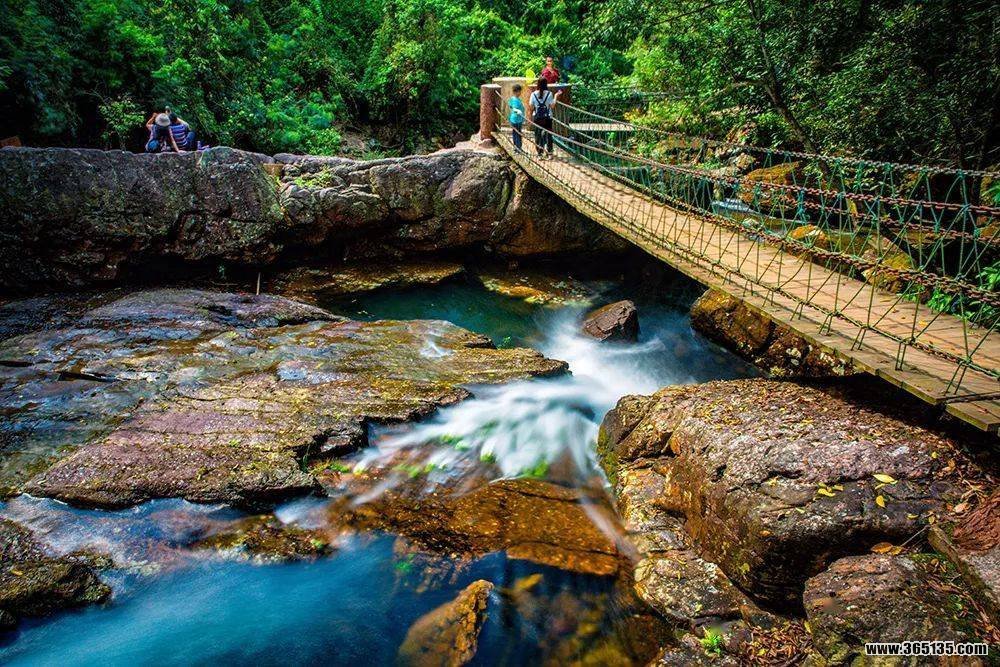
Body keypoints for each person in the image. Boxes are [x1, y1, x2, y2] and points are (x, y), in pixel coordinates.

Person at [529, 78, 561, 158]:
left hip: (537, 118)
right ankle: (549, 153)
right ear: (546, 84)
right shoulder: (549, 94)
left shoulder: (533, 94)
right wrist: (556, 96)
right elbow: (552, 106)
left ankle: (539, 153)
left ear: (538, 84)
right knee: (548, 135)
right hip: (548, 117)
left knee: (538, 135)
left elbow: (531, 107)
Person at [508, 84, 525, 152]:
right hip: (517, 119)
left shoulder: (513, 98)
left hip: (514, 119)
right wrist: (518, 111)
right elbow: (514, 108)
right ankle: (518, 148)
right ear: (516, 91)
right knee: (518, 134)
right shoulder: (515, 100)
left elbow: (510, 106)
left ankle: (516, 148)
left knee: (515, 133)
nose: (520, 93)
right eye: (519, 91)